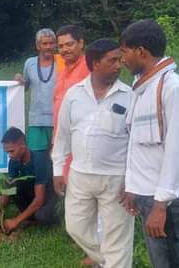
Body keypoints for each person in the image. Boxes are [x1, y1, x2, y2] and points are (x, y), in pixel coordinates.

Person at [52, 39, 134, 267]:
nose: (119, 65)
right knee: (75, 227)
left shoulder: (129, 95)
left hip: (116, 179)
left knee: (117, 236)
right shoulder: (74, 95)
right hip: (80, 175)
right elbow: (63, 136)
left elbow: (136, 143)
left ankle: (116, 261)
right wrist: (58, 169)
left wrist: (132, 179)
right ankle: (111, 261)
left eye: (120, 59)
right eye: (113, 60)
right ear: (95, 63)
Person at [120, 19, 179, 268]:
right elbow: (135, 144)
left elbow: (176, 152)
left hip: (163, 199)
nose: (123, 59)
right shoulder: (139, 88)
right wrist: (131, 186)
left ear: (141, 52)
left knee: (170, 262)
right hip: (143, 193)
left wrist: (161, 206)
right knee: (158, 260)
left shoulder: (175, 89)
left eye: (125, 52)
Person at [0, 127, 58, 234]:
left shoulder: (39, 160)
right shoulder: (14, 162)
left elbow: (40, 199)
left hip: (48, 195)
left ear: (22, 145)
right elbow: (8, 189)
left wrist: (16, 221)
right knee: (14, 185)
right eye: (7, 152)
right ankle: (30, 218)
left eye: (12, 151)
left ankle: (55, 216)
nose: (9, 155)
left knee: (42, 216)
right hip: (33, 192)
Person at [52, 25, 90, 183]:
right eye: (61, 46)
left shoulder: (90, 68)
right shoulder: (62, 71)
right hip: (64, 142)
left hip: (83, 145)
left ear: (81, 43)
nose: (65, 49)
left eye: (69, 44)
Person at [14, 28, 58, 153]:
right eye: (45, 43)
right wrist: (19, 81)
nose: (48, 47)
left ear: (55, 44)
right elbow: (25, 87)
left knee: (57, 158)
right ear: (38, 45)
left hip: (58, 119)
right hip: (36, 119)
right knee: (38, 157)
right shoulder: (30, 63)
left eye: (51, 43)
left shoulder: (62, 62)